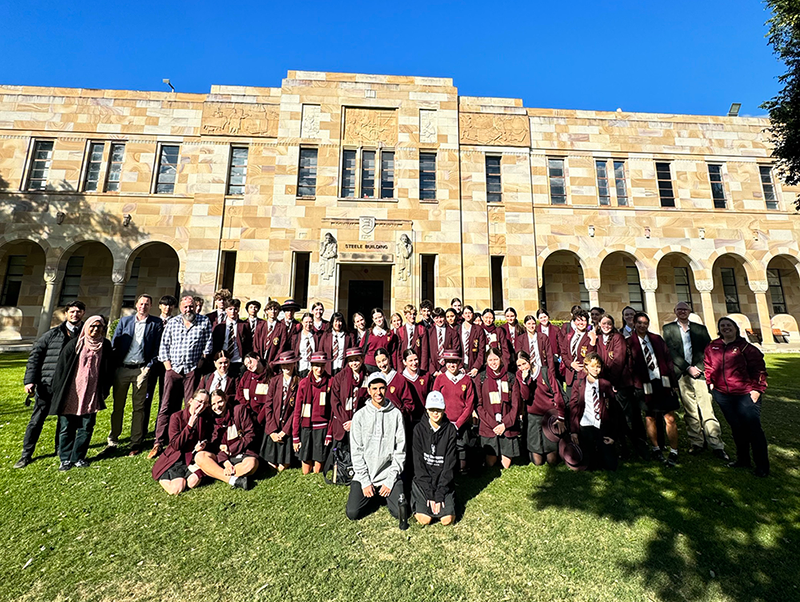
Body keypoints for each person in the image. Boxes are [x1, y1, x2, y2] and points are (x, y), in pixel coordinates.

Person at [15, 300, 85, 468]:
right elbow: (35, 357)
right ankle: (26, 454)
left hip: (70, 387)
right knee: (36, 421)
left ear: (83, 314)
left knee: (66, 421)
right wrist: (30, 380)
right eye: (72, 311)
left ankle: (61, 449)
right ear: (66, 314)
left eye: (79, 311)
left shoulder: (85, 334)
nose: (75, 314)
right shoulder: (52, 334)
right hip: (47, 384)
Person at [663, 302, 729, 461]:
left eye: (685, 309)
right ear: (675, 311)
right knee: (690, 410)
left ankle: (716, 444)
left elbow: (708, 350)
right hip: (682, 374)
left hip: (699, 374)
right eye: (679, 309)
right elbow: (671, 351)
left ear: (689, 311)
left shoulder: (700, 329)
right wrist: (687, 368)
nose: (682, 311)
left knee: (707, 409)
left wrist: (698, 368)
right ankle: (697, 442)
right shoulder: (668, 329)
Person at [704, 317, 769, 477]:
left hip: (745, 394)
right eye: (723, 326)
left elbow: (759, 369)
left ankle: (762, 466)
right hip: (723, 395)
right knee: (737, 429)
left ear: (735, 328)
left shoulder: (746, 347)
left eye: (729, 325)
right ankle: (743, 459)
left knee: (754, 430)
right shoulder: (714, 346)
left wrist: (757, 390)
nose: (726, 328)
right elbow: (708, 365)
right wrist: (711, 383)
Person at [151, 295, 214, 458]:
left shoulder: (204, 321)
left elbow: (208, 344)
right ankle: (159, 442)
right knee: (166, 405)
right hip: (173, 370)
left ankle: (188, 439)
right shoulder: (173, 322)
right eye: (185, 307)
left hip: (192, 370)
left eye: (191, 306)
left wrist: (199, 364)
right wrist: (168, 368)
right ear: (181, 307)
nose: (188, 309)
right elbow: (164, 345)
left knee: (191, 406)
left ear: (195, 306)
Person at [48, 316, 113, 470]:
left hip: (92, 393)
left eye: (99, 327)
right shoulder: (74, 344)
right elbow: (61, 369)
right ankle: (65, 458)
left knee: (86, 426)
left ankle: (78, 456)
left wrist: (104, 390)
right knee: (67, 426)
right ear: (86, 327)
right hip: (71, 392)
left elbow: (109, 370)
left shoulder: (105, 346)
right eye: (92, 326)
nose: (95, 329)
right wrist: (57, 391)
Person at [346, 373, 407, 522]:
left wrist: (390, 479)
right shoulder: (360, 416)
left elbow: (400, 450)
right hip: (365, 475)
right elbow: (356, 451)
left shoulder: (396, 414)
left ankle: (382, 493)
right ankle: (373, 495)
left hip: (388, 475)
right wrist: (365, 481)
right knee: (353, 513)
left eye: (381, 388)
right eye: (374, 388)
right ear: (368, 390)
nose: (378, 392)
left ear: (386, 389)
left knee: (401, 513)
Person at [108, 294, 164, 456]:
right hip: (123, 368)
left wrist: (149, 366)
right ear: (136, 305)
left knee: (139, 407)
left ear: (151, 306)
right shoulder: (125, 322)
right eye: (141, 303)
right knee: (118, 406)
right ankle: (113, 439)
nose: (143, 306)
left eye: (147, 304)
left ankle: (136, 441)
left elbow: (157, 347)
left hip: (142, 370)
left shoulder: (156, 323)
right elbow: (115, 344)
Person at [628, 311, 680, 466]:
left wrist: (673, 382)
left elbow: (668, 360)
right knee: (650, 416)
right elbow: (629, 365)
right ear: (634, 324)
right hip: (645, 383)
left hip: (662, 380)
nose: (642, 325)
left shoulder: (657, 339)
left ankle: (674, 450)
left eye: (645, 323)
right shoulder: (629, 342)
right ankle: (656, 448)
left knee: (669, 417)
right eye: (639, 323)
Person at [595, 314, 647, 460]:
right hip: (605, 385)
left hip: (620, 384)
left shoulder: (618, 338)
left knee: (627, 417)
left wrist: (611, 383)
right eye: (603, 323)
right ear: (599, 324)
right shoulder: (597, 339)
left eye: (609, 323)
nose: (606, 326)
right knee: (612, 418)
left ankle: (637, 449)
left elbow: (618, 362)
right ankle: (619, 447)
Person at [195, 389, 259, 489]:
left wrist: (230, 450)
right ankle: (234, 480)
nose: (217, 406)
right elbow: (214, 445)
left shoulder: (239, 410)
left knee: (251, 465)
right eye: (213, 404)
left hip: (242, 452)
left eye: (220, 401)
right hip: (221, 457)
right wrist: (226, 462)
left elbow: (250, 435)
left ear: (225, 399)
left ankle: (216, 473)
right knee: (199, 457)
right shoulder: (210, 420)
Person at [151, 389, 211, 495]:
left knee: (193, 482)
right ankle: (163, 475)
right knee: (177, 489)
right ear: (191, 401)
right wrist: (189, 426)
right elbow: (175, 445)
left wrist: (202, 445)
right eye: (199, 401)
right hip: (176, 458)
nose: (202, 405)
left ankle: (182, 477)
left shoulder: (204, 418)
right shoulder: (176, 417)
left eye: (205, 403)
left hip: (191, 459)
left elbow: (207, 437)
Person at [412, 391, 457, 526]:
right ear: (427, 409)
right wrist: (430, 493)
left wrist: (440, 493)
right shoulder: (418, 429)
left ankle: (450, 501)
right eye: (432, 409)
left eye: (438, 410)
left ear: (444, 409)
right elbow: (419, 465)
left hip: (443, 481)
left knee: (446, 520)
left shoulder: (450, 430)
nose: (435, 413)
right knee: (425, 520)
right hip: (423, 481)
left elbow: (449, 465)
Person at [567, 353, 618, 471]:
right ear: (586, 367)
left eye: (598, 366)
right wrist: (574, 431)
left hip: (601, 424)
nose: (596, 369)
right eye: (593, 366)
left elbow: (614, 411)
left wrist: (613, 435)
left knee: (610, 466)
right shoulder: (579, 384)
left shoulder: (605, 384)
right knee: (589, 465)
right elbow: (574, 408)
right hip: (585, 425)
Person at [433, 350, 478, 473]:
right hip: (444, 422)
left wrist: (458, 424)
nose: (451, 365)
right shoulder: (440, 379)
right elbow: (435, 401)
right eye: (448, 362)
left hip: (461, 423)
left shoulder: (467, 380)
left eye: (454, 362)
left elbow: (469, 404)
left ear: (459, 362)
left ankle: (463, 468)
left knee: (461, 448)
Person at [477, 348, 520, 469]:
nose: (493, 362)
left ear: (501, 360)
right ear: (486, 361)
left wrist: (505, 424)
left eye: (496, 359)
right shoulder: (481, 378)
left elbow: (516, 404)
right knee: (491, 462)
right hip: (489, 424)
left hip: (507, 424)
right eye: (490, 360)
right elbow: (479, 406)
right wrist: (494, 424)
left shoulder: (510, 378)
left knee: (506, 465)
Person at [259, 351, 300, 472]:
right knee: (272, 465)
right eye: (284, 365)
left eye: (289, 364)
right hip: (274, 425)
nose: (286, 367)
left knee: (282, 467)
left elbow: (297, 410)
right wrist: (272, 430)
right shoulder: (274, 381)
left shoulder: (299, 382)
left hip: (287, 427)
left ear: (294, 364)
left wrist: (285, 431)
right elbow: (268, 405)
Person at [292, 352, 332, 474]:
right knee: (305, 468)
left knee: (317, 468)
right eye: (316, 365)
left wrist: (329, 433)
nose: (319, 369)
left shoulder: (330, 382)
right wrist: (295, 436)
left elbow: (332, 411)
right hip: (307, 426)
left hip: (322, 426)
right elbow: (297, 410)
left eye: (321, 366)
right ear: (311, 366)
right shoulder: (304, 383)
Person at [330, 347, 368, 450]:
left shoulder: (368, 376)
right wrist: (346, 421)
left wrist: (355, 422)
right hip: (343, 423)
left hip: (362, 422)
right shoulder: (339, 377)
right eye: (351, 361)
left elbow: (369, 402)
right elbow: (335, 401)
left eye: (356, 360)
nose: (354, 363)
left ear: (362, 359)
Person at [144, 295, 176, 417]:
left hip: (167, 363)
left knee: (165, 395)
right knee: (147, 395)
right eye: (164, 305)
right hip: (152, 362)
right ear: (159, 306)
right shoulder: (152, 322)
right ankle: (142, 427)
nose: (167, 308)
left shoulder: (176, 322)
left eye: (170, 305)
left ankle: (162, 424)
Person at [560, 308, 595, 404]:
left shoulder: (590, 336)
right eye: (578, 320)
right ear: (574, 322)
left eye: (583, 320)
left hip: (583, 374)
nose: (581, 323)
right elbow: (563, 353)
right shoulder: (569, 336)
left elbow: (591, 356)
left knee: (582, 403)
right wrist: (570, 364)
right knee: (570, 404)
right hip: (570, 374)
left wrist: (592, 343)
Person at [373, 347, 415, 420]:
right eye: (379, 362)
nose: (382, 364)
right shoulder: (375, 380)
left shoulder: (400, 379)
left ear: (388, 358)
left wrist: (399, 413)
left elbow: (409, 403)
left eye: (384, 360)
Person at [211, 298, 248, 378]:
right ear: (226, 310)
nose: (233, 312)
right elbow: (215, 345)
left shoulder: (244, 325)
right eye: (230, 309)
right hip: (223, 361)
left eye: (235, 309)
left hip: (238, 360)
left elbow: (248, 343)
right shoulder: (219, 327)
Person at [236, 352, 271, 421]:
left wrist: (260, 417)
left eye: (250, 362)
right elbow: (239, 393)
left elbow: (270, 401)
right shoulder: (246, 375)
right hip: (249, 417)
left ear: (257, 358)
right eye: (246, 366)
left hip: (265, 418)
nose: (249, 366)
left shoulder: (271, 377)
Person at [395, 304, 429, 373]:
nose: (412, 316)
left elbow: (424, 351)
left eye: (414, 314)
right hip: (404, 366)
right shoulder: (400, 331)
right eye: (410, 314)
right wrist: (400, 369)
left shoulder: (421, 329)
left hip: (417, 365)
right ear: (405, 315)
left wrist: (423, 368)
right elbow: (398, 352)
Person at [428, 307, 460, 377]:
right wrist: (433, 370)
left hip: (448, 369)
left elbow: (456, 350)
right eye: (436, 318)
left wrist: (444, 370)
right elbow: (426, 353)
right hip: (433, 370)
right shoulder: (429, 333)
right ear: (433, 319)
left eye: (441, 317)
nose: (439, 320)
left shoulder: (453, 332)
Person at [362, 308, 397, 373]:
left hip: (384, 366)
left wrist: (394, 367)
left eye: (380, 317)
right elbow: (361, 349)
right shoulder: (368, 333)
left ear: (384, 317)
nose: (378, 320)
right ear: (373, 320)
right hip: (369, 366)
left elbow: (393, 352)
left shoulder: (391, 334)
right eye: (376, 318)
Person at [401, 348, 430, 424]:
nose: (414, 363)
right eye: (410, 361)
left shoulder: (426, 376)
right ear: (404, 362)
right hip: (408, 420)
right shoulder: (401, 378)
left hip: (424, 418)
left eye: (416, 359)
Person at [257, 300, 289, 365]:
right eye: (270, 309)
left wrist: (274, 361)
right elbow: (256, 344)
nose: (273, 312)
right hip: (260, 361)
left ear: (279, 312)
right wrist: (258, 359)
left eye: (275, 309)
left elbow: (282, 346)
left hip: (274, 361)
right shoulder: (260, 326)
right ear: (266, 311)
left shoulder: (282, 327)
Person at [457, 306, 485, 377]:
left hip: (474, 364)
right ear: (463, 315)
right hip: (461, 365)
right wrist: (459, 366)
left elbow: (482, 350)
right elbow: (455, 349)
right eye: (466, 313)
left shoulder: (479, 330)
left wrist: (476, 367)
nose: (468, 315)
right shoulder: (457, 329)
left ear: (473, 314)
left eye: (470, 313)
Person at [292, 312, 316, 378]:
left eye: (310, 322)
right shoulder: (296, 337)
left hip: (313, 370)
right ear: (302, 322)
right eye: (306, 322)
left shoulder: (317, 337)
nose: (308, 324)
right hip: (300, 368)